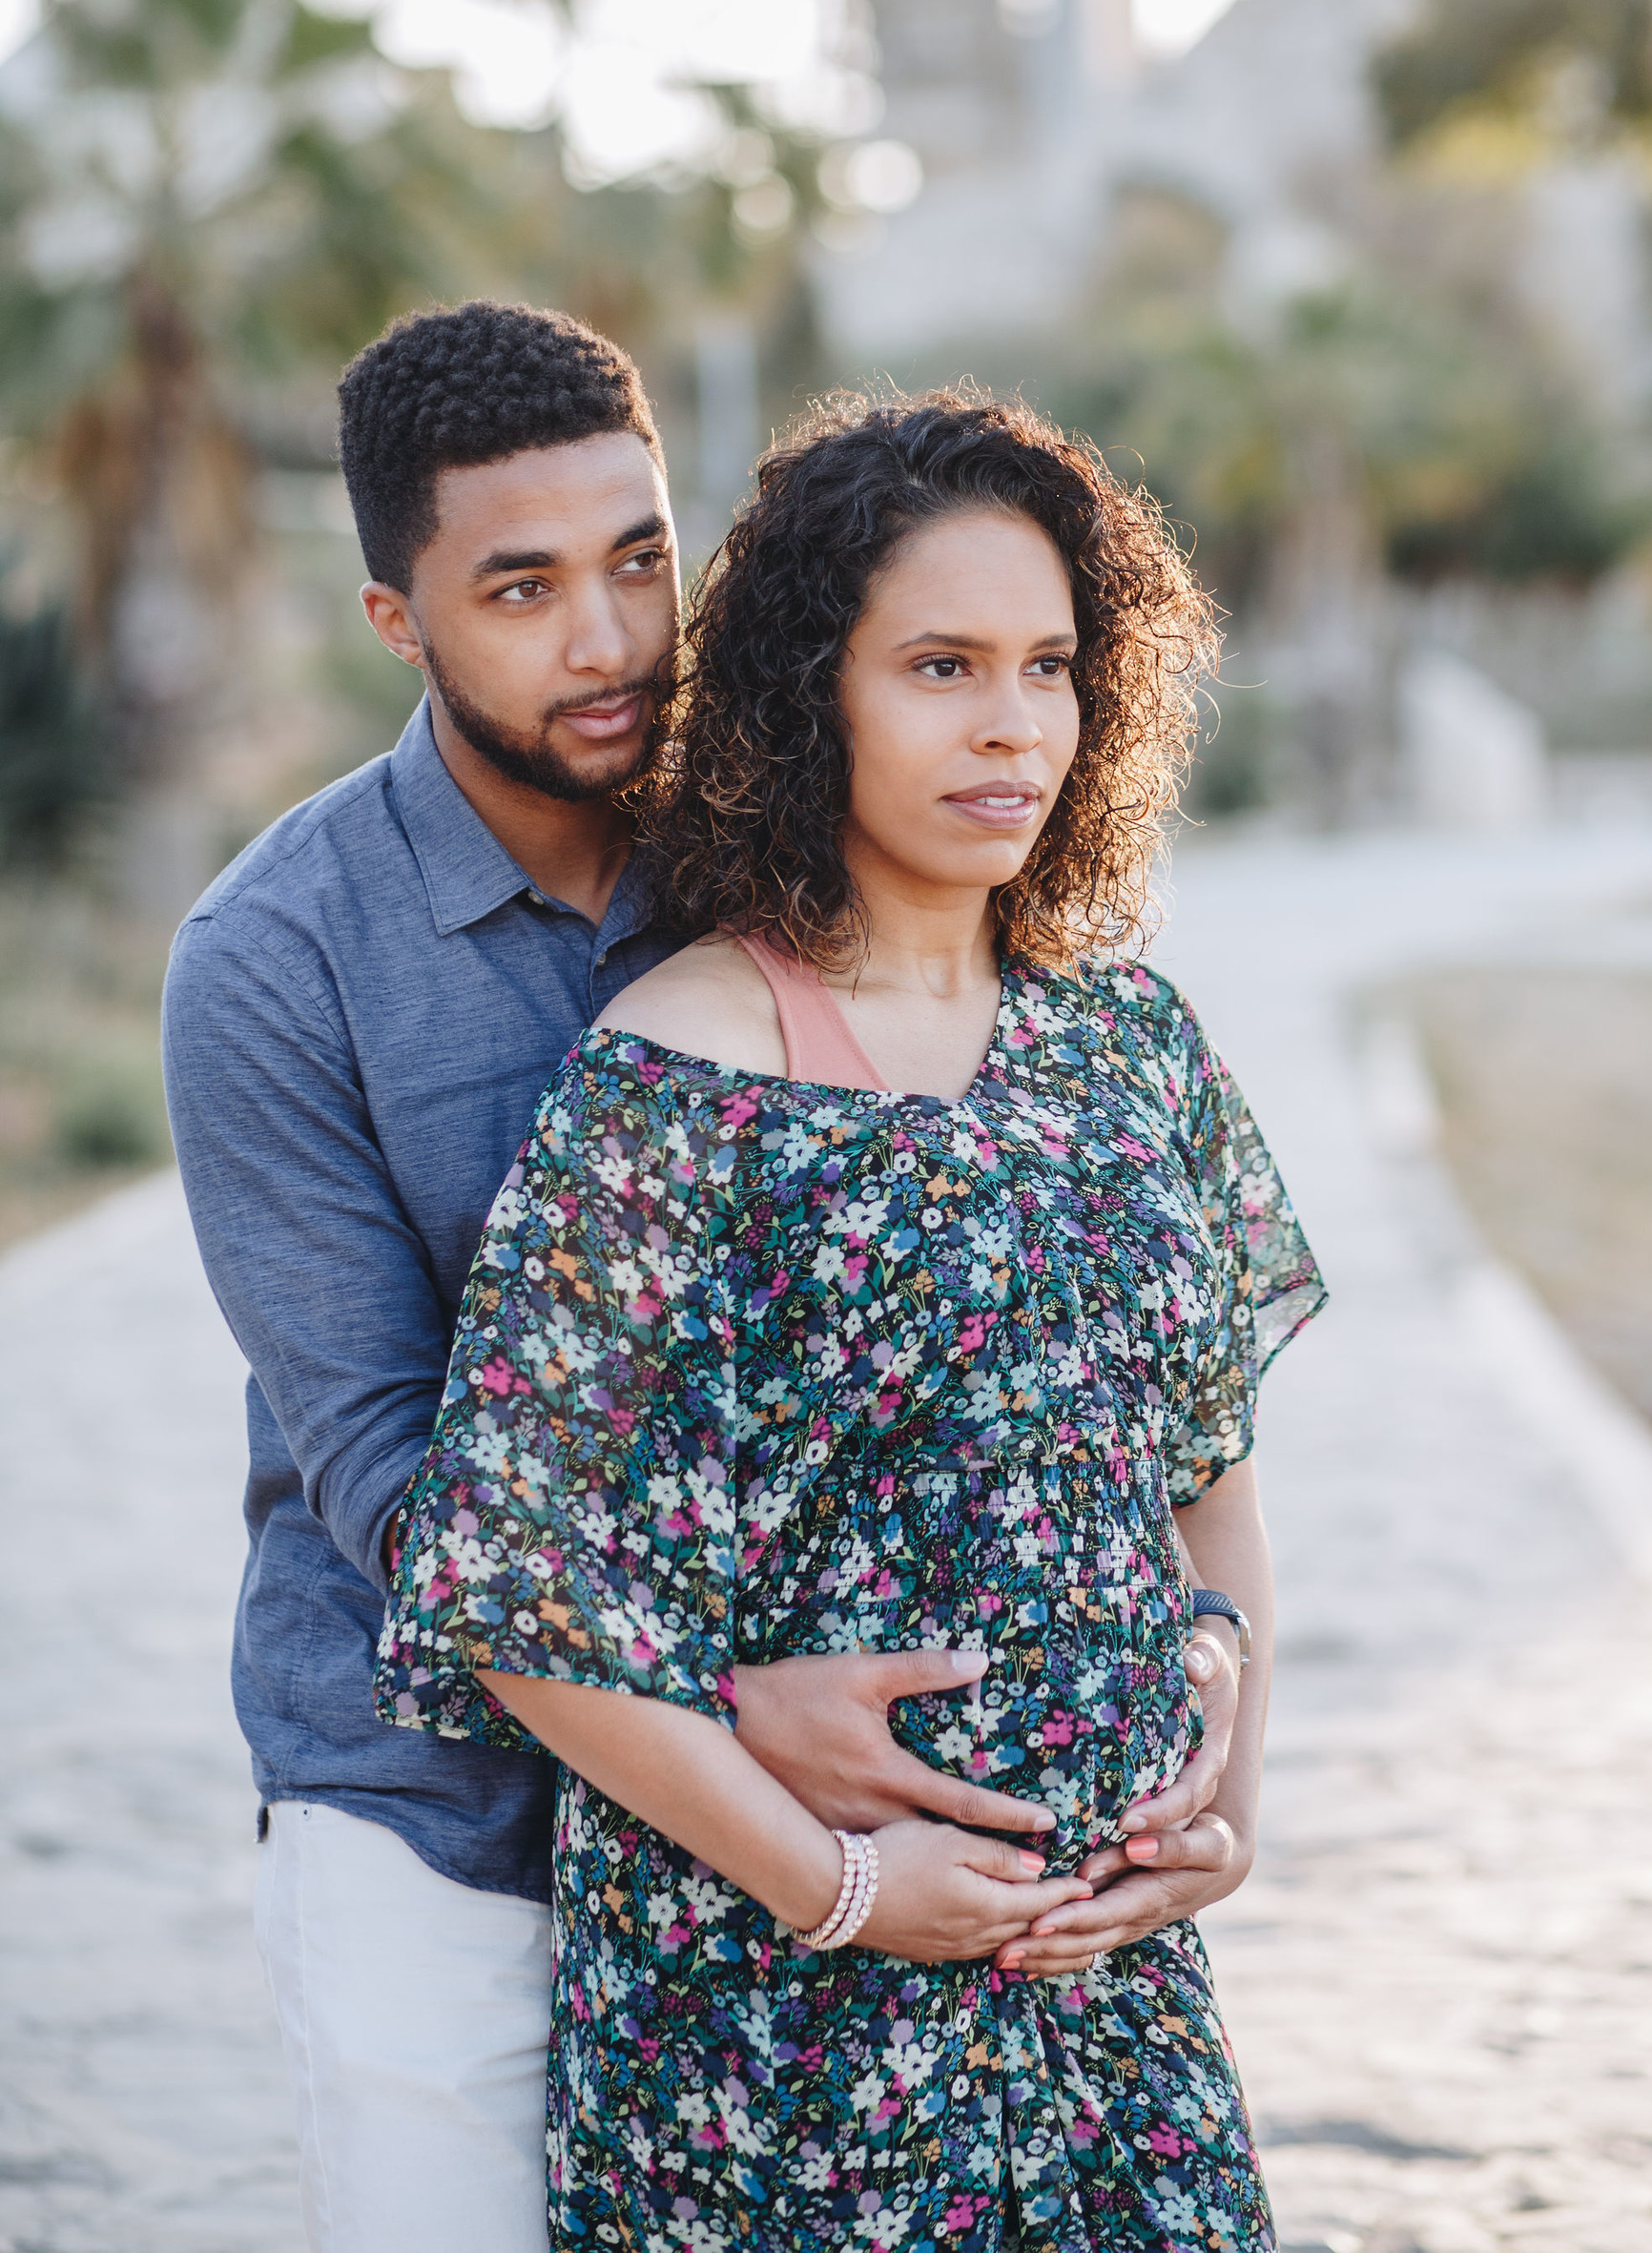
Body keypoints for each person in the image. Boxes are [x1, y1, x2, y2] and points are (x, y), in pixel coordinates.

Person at [166, 310, 1198, 2253]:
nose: (611, 641)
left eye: (641, 558)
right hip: (441, 1808)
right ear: (399, 616)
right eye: (523, 588)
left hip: (805, 1844)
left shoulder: (778, 843)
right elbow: (397, 1466)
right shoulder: (275, 961)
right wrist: (732, 1719)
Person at [376, 390, 1327, 2251]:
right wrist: (836, 1887)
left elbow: (1211, 1468)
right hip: (782, 2017)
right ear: (813, 695)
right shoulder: (680, 1072)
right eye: (943, 665)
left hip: (1105, 1991)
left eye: (1051, 666)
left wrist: (1234, 1803)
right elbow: (518, 1597)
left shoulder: (1126, 1039)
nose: (1010, 724)